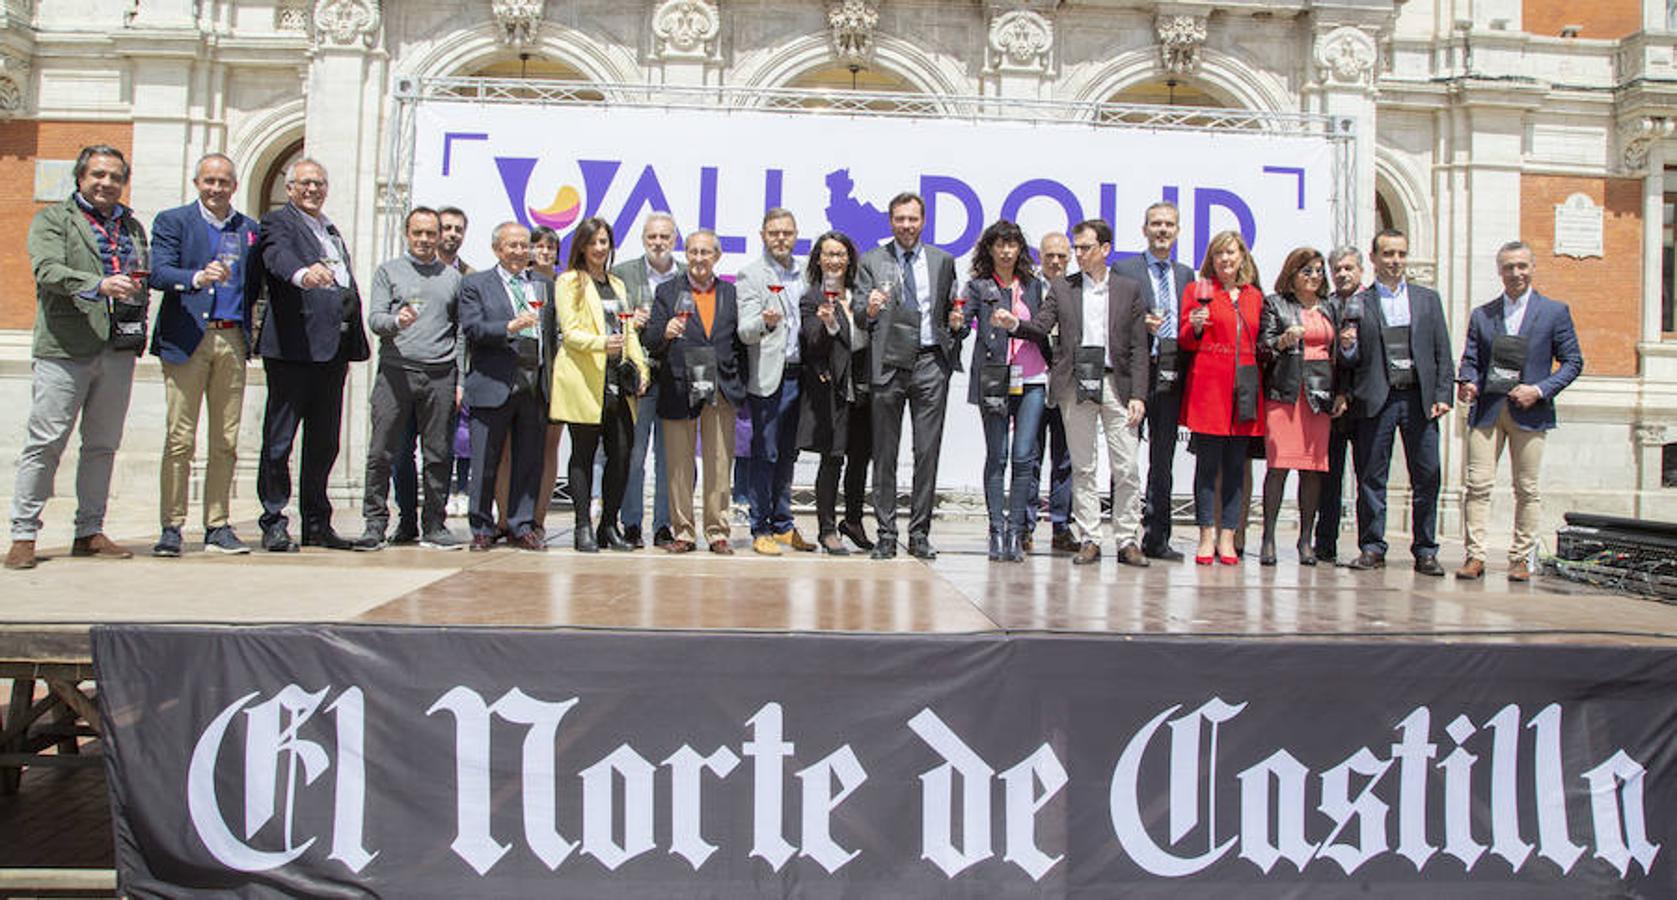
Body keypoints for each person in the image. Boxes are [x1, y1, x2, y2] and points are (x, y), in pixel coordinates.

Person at [6, 146, 147, 571]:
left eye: (115, 177)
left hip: (117, 347)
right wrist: (98, 284)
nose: (106, 183)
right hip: (66, 346)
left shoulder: (131, 225)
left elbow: (141, 272)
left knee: (102, 445)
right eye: (97, 175)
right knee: (46, 442)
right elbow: (47, 271)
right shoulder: (53, 220)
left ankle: (89, 530)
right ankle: (24, 533)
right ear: (80, 178)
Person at [1001, 218, 1150, 566]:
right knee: (1083, 465)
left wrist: (1139, 395)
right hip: (1076, 383)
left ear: (1105, 249)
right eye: (1077, 247)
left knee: (1126, 466)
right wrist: (1014, 325)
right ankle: (1089, 537)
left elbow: (1139, 348)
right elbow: (1040, 327)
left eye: (1085, 247)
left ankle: (1128, 538)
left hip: (1117, 383)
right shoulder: (1064, 288)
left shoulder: (1129, 289)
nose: (1078, 254)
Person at [248, 157, 371, 552]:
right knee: (280, 440)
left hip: (332, 351)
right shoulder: (278, 223)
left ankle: (318, 523)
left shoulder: (329, 228)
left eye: (319, 183)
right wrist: (302, 275)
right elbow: (277, 258)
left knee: (324, 443)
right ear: (290, 188)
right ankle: (274, 520)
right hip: (293, 349)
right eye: (305, 183)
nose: (313, 189)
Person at [148, 152, 259, 558]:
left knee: (226, 439)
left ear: (234, 185)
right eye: (209, 181)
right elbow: (158, 272)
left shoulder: (248, 229)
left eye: (224, 182)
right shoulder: (173, 221)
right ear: (197, 183)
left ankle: (217, 523)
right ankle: (171, 525)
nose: (216, 189)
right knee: (180, 438)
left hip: (231, 339)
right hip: (187, 339)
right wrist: (196, 277)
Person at [1455, 241, 1583, 582]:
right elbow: (1470, 360)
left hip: (1530, 411)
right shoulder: (1483, 314)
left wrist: (1539, 389)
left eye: (1522, 266)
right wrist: (1468, 381)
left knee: (1527, 488)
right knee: (1477, 485)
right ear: (1500, 271)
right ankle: (1475, 556)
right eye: (1509, 267)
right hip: (1487, 411)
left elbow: (1573, 362)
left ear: (1533, 268)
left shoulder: (1554, 312)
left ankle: (1520, 558)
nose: (1516, 273)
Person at [854, 192, 966, 560]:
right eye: (900, 219)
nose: (906, 225)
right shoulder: (872, 260)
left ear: (923, 221)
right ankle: (886, 533)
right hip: (888, 362)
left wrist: (956, 326)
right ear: (890, 221)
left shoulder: (942, 261)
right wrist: (868, 310)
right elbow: (857, 312)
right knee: (884, 453)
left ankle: (920, 534)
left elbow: (954, 309)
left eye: (913, 219)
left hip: (930, 363)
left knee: (926, 452)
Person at [1342, 229, 1454, 575]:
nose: (1395, 261)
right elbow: (1350, 357)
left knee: (1428, 475)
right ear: (1373, 259)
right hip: (1378, 398)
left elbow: (1442, 351)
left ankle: (1425, 549)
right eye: (1388, 254)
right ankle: (1372, 546)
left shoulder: (1427, 299)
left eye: (1401, 254)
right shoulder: (1360, 302)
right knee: (1372, 476)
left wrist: (1443, 394)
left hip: (1419, 399)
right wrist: (1347, 346)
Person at [354, 207, 464, 550]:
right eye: (418, 233)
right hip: (396, 371)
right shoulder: (389, 272)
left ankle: (434, 523)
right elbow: (374, 318)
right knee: (383, 452)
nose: (425, 240)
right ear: (407, 234)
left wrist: (459, 379)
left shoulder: (452, 278)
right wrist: (395, 322)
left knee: (438, 454)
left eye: (431, 234)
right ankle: (376, 523)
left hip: (440, 375)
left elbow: (460, 332)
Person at [643, 229, 750, 554]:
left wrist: (738, 383)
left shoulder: (732, 293)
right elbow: (650, 341)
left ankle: (717, 532)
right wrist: (665, 331)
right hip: (678, 387)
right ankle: (684, 533)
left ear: (717, 257)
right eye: (693, 252)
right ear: (685, 255)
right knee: (678, 464)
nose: (699, 259)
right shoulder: (667, 291)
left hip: (721, 388)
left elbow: (741, 344)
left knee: (719, 462)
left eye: (706, 253)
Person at [551, 217, 650, 552]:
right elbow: (570, 331)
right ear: (581, 246)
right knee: (583, 453)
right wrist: (600, 343)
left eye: (604, 242)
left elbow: (629, 331)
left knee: (622, 455)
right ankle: (582, 526)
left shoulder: (618, 285)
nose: (598, 248)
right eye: (592, 242)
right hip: (585, 379)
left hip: (617, 381)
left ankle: (609, 524)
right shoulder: (569, 282)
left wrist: (640, 366)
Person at [960, 220, 1049, 562]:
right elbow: (964, 323)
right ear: (990, 249)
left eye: (1012, 245)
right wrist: (957, 323)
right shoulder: (979, 286)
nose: (1007, 251)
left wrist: (1018, 326)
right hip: (994, 378)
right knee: (997, 454)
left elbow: (1043, 329)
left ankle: (1017, 532)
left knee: (1024, 455)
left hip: (1031, 378)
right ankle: (996, 530)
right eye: (1000, 245)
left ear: (1020, 249)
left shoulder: (1034, 286)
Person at [459, 222, 551, 551]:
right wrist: (510, 326)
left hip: (533, 384)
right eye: (511, 246)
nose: (518, 252)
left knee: (529, 460)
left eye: (523, 245)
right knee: (485, 461)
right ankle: (482, 527)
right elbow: (473, 328)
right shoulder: (476, 284)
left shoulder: (542, 285)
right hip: (493, 382)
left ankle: (521, 524)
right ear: (497, 249)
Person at [1114, 201, 1198, 562]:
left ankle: (1158, 536)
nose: (1162, 230)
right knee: (1126, 459)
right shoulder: (1126, 269)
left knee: (1163, 459)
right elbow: (1114, 323)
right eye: (1156, 224)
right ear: (1144, 229)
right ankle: (1126, 535)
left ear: (1178, 231)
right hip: (1136, 373)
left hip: (1171, 370)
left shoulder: (1185, 274)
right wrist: (1139, 325)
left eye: (1169, 225)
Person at [1178, 230, 1265, 566]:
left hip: (1243, 388)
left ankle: (1229, 535)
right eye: (1219, 254)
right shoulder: (1198, 290)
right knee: (1207, 465)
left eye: (1231, 253)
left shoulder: (1254, 296)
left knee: (1235, 467)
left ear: (1242, 256)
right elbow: (1185, 339)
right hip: (1208, 387)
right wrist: (1196, 326)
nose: (1226, 259)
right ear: (1211, 259)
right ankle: (1205, 534)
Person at [1256, 247, 1341, 566]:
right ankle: (1268, 539)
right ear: (1292, 274)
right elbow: (1262, 348)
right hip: (1286, 392)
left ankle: (1306, 540)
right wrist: (1283, 341)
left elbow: (1342, 354)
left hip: (1319, 394)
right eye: (1308, 271)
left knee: (1312, 470)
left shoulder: (1330, 307)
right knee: (1278, 467)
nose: (1315, 277)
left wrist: (1342, 392)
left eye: (1319, 271)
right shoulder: (1276, 304)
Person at [738, 208, 815, 555]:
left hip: (803, 375)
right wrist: (766, 323)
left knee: (788, 454)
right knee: (764, 454)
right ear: (762, 236)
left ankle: (784, 524)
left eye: (786, 232)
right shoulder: (751, 275)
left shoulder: (808, 274)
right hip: (770, 378)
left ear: (796, 234)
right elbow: (744, 329)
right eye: (774, 233)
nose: (780, 238)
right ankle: (760, 526)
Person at [611, 212, 684, 549]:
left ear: (674, 240)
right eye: (652, 237)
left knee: (669, 457)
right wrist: (629, 321)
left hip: (672, 376)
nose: (658, 243)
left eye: (665, 237)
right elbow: (608, 316)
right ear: (643, 238)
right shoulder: (623, 273)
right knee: (634, 455)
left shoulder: (685, 275)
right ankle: (631, 523)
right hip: (637, 376)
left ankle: (664, 525)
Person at [797, 231, 863, 555]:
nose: (834, 260)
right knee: (833, 457)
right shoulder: (812, 298)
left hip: (865, 386)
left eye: (840, 254)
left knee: (861, 457)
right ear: (818, 260)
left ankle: (854, 522)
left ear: (849, 258)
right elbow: (812, 342)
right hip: (833, 390)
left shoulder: (861, 294)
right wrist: (828, 325)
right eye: (828, 254)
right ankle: (826, 528)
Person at [1314, 246, 1365, 563]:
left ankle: (1370, 544)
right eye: (1338, 269)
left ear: (1361, 269)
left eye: (1349, 268)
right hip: (1331, 403)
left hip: (1366, 402)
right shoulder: (1327, 305)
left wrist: (1349, 393)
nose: (1343, 274)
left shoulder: (1372, 304)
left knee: (1368, 477)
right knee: (1328, 477)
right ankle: (1325, 542)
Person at [1028, 232, 1076, 554]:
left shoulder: (1077, 289)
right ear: (1040, 257)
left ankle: (1061, 526)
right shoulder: (1029, 289)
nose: (1056, 262)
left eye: (1061, 256)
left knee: (1066, 458)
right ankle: (1025, 526)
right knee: (1029, 455)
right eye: (1050, 256)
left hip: (1067, 383)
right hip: (1032, 380)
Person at [436, 206, 473, 275]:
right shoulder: (418, 269)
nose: (453, 234)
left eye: (458, 230)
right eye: (447, 228)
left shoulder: (472, 277)